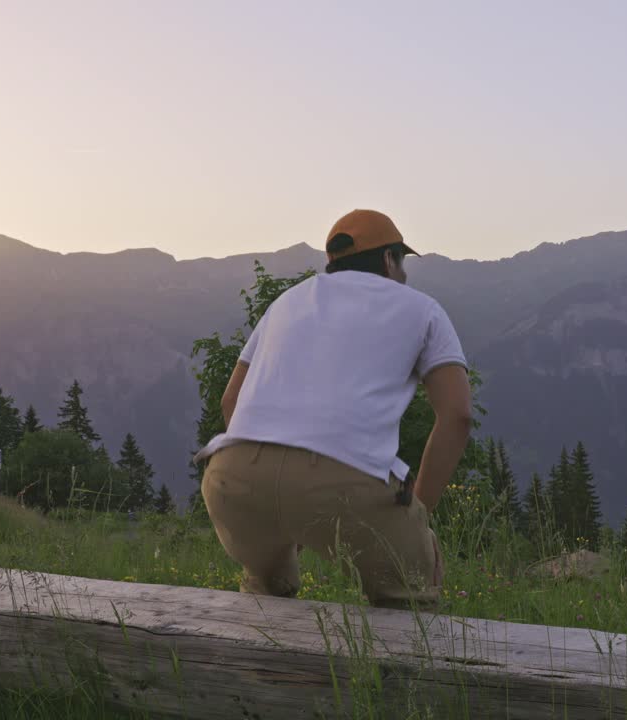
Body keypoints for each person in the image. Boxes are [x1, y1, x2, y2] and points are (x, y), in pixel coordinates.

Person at [193, 209, 473, 609]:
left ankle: (262, 665)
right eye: (402, 260)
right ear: (388, 260)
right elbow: (457, 415)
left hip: (232, 476)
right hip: (346, 480)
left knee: (264, 598)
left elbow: (230, 400)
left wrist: (276, 483)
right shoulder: (423, 309)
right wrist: (418, 512)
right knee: (411, 597)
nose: (405, 272)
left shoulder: (286, 302)